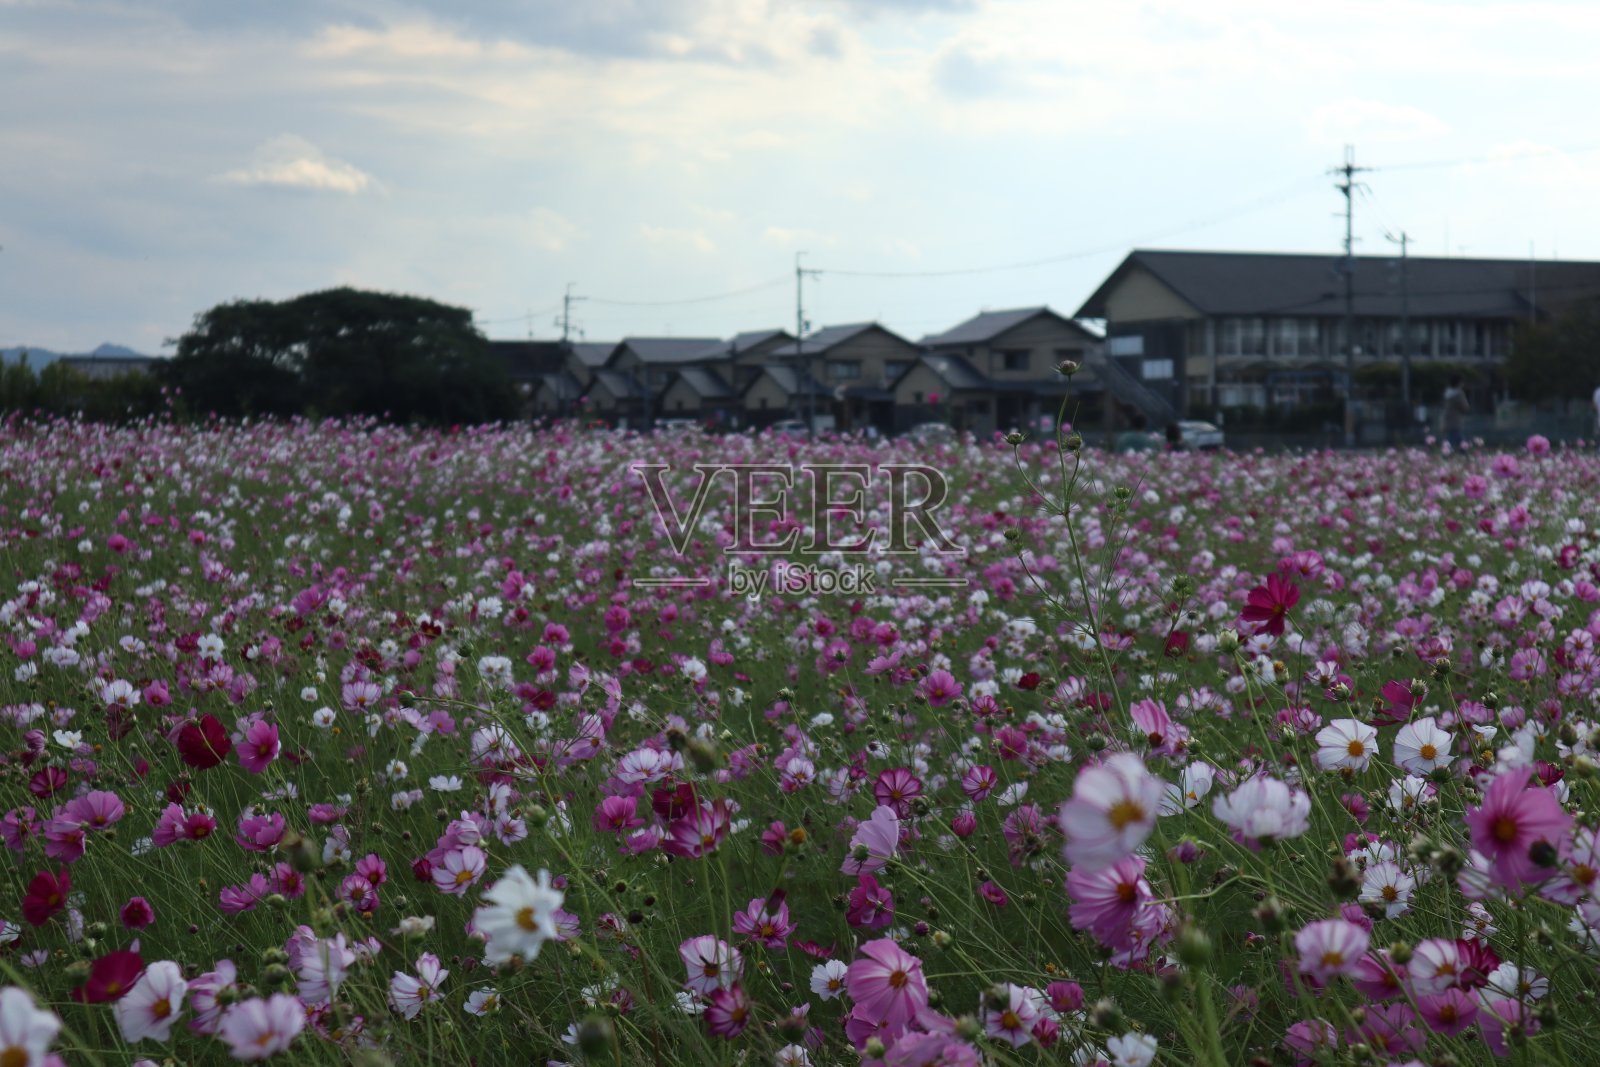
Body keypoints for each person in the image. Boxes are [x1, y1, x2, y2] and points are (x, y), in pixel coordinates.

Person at [1441, 375, 1470, 451]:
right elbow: (1465, 407)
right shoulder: (1458, 394)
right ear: (1459, 383)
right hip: (1456, 420)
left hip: (1447, 419)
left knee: (1453, 437)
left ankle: (1460, 452)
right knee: (1457, 439)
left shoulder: (1447, 393)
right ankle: (1460, 453)